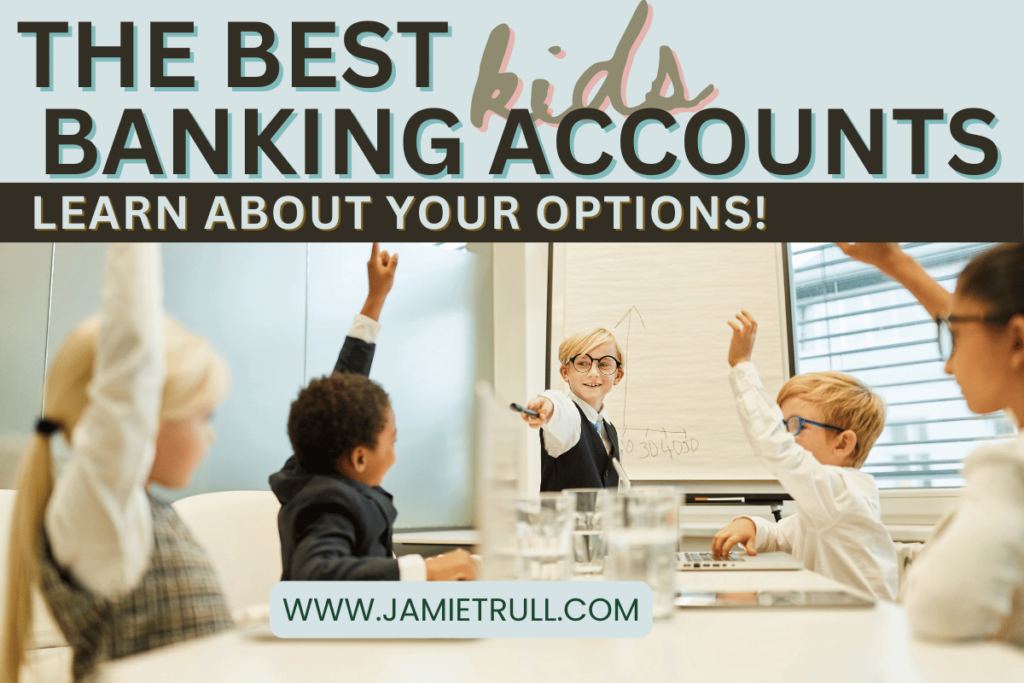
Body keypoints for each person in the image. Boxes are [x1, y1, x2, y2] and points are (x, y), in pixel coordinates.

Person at [2, 245, 233, 683]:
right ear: (147, 416)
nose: (211, 434)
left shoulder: (143, 515)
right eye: (204, 415)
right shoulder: (102, 519)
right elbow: (131, 363)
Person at [838, 242, 1024, 644]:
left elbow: (939, 612)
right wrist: (894, 262)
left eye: (954, 338)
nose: (948, 365)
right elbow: (983, 327)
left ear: (1017, 340)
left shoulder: (1012, 472)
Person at [270, 244, 476, 582]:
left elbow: (342, 389)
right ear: (360, 458)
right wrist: (424, 570)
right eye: (391, 441)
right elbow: (315, 575)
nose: (394, 453)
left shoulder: (314, 462)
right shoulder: (328, 506)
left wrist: (375, 298)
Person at [712, 310, 898, 601]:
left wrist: (741, 365)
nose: (785, 435)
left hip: (856, 627)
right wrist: (751, 524)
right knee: (737, 591)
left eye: (795, 425)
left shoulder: (843, 495)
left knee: (737, 595)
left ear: (842, 444)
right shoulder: (824, 503)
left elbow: (777, 448)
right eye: (782, 425)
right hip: (829, 623)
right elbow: (780, 534)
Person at [521, 328, 625, 492]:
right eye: (582, 363)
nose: (593, 373)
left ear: (617, 376)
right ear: (565, 373)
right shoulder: (570, 418)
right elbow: (559, 409)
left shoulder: (611, 432)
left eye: (604, 364)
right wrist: (547, 405)